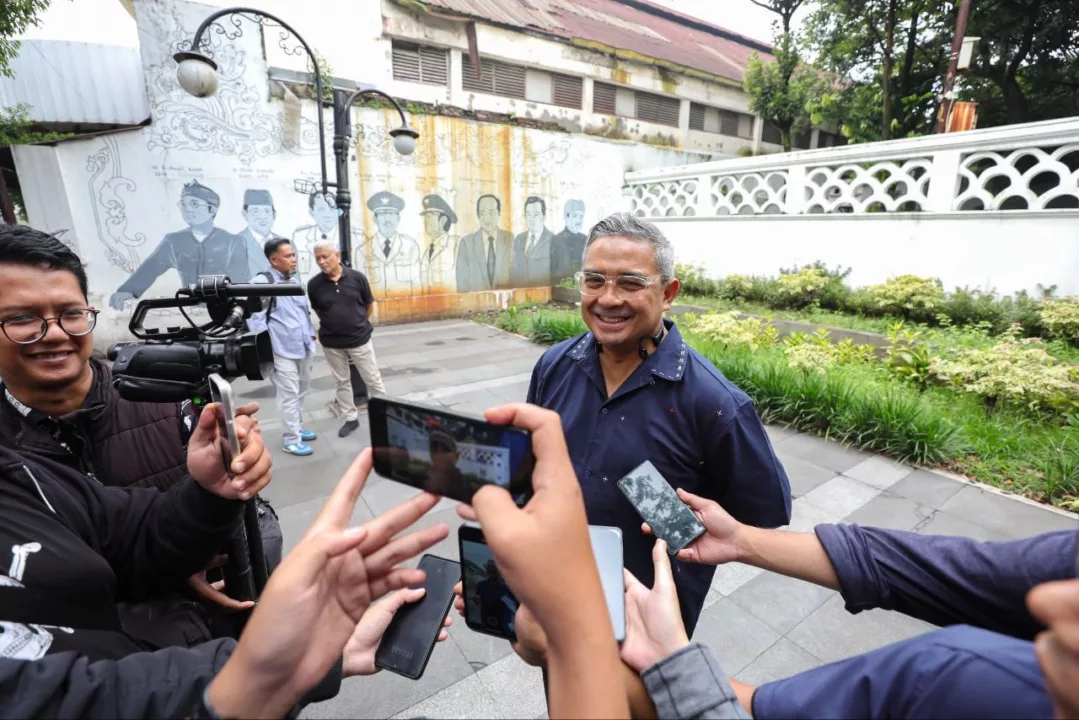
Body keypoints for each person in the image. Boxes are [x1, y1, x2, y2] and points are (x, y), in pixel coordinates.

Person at [0, 449, 451, 718]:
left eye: (73, 312)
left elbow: (129, 531)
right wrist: (267, 664)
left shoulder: (19, 475)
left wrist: (207, 497)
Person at [0, 225, 281, 647]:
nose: (55, 333)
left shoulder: (166, 401)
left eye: (71, 313)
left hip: (213, 650)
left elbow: (244, 528)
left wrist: (233, 481)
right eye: (22, 318)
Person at [526, 212, 791, 634]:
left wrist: (677, 520)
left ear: (667, 293)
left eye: (630, 283)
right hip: (558, 592)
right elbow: (533, 468)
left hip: (649, 623)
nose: (607, 298)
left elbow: (764, 511)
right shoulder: (554, 366)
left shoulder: (715, 403)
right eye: (594, 280)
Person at [644, 486, 1069, 718]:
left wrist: (672, 666)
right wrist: (742, 540)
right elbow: (966, 572)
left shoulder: (956, 678)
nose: (1052, 600)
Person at [110, 181, 249, 309]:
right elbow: (150, 268)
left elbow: (241, 282)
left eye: (194, 204)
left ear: (212, 210)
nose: (188, 209)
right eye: (184, 204)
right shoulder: (173, 242)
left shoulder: (232, 242)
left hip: (224, 311)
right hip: (188, 311)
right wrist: (128, 291)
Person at [308, 240, 386, 438]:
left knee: (372, 378)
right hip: (332, 343)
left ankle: (385, 415)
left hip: (359, 339)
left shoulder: (357, 278)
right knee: (341, 381)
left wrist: (357, 324)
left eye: (325, 256)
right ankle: (350, 418)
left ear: (337, 256)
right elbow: (319, 309)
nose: (321, 261)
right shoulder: (314, 285)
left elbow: (368, 305)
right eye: (317, 258)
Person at [248, 238, 319, 456]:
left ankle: (296, 426)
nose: (293, 259)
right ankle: (291, 440)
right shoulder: (261, 283)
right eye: (288, 256)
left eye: (293, 254)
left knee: (302, 389)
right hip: (280, 350)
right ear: (273, 259)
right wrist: (266, 350)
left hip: (303, 345)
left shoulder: (292, 280)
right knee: (288, 394)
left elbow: (301, 313)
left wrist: (311, 335)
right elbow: (255, 319)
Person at [360, 191, 421, 298]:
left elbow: (418, 284)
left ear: (398, 219)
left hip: (406, 310)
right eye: (382, 214)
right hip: (375, 311)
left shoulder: (410, 246)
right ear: (375, 219)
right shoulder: (362, 251)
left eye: (391, 214)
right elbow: (360, 288)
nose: (387, 219)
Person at [456, 194, 513, 292]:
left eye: (491, 212)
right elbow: (462, 284)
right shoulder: (466, 243)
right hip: (475, 305)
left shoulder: (509, 239)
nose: (487, 218)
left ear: (499, 213)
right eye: (482, 213)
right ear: (478, 215)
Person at [291, 191, 343, 276]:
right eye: (322, 209)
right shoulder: (300, 236)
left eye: (332, 208)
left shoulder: (354, 237)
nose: (328, 214)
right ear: (311, 212)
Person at [418, 192, 460, 293]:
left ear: (443, 220)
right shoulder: (427, 252)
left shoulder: (456, 245)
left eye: (429, 216)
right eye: (425, 217)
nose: (425, 221)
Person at [238, 189, 281, 279]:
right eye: (255, 211)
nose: (262, 216)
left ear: (274, 215)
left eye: (266, 211)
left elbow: (296, 283)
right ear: (245, 214)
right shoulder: (235, 243)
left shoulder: (286, 244)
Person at [511, 195, 553, 288]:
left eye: (536, 214)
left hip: (543, 297)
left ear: (544, 216)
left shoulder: (554, 240)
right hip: (520, 296)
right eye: (528, 214)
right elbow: (513, 271)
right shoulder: (518, 239)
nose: (531, 219)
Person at [426, 429, 469, 499]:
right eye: (434, 446)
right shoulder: (420, 475)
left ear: (456, 456)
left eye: (445, 448)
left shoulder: (465, 487)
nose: (439, 452)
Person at [551, 198, 587, 282]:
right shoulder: (556, 241)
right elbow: (551, 274)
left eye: (581, 216)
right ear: (566, 216)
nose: (578, 220)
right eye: (574, 216)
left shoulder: (586, 240)